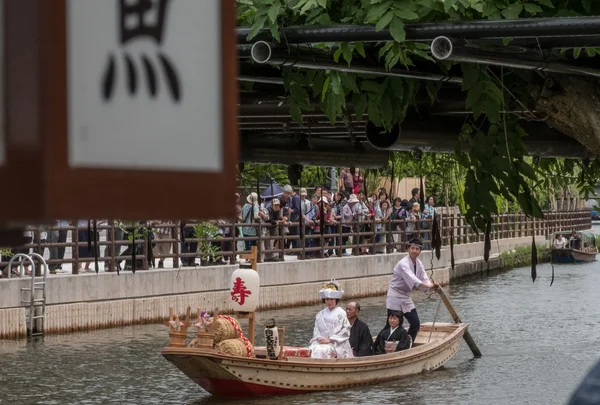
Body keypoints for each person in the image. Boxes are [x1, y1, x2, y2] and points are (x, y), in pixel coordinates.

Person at [386, 238, 439, 343]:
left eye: (417, 249)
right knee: (391, 325)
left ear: (420, 251)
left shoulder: (419, 264)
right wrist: (430, 286)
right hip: (395, 295)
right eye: (412, 248)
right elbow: (413, 280)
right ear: (408, 249)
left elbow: (424, 278)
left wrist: (431, 286)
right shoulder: (403, 263)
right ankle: (380, 345)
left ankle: (407, 344)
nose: (414, 251)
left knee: (415, 323)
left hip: (406, 296)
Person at [309, 281, 354, 359]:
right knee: (311, 349)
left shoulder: (341, 313)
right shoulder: (320, 314)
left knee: (320, 351)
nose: (329, 302)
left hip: (336, 343)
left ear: (336, 300)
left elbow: (345, 330)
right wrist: (319, 338)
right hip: (321, 341)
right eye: (327, 299)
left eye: (331, 299)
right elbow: (316, 329)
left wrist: (330, 340)